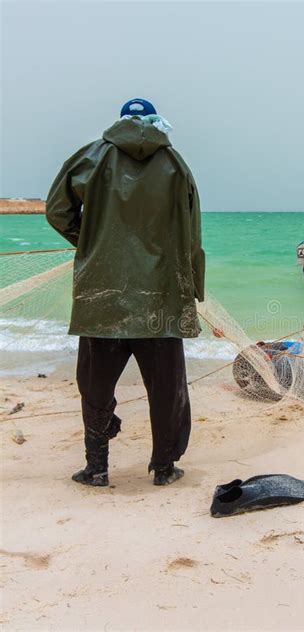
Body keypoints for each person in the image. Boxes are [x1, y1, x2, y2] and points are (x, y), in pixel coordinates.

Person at [46, 98, 205, 487]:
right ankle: (165, 469)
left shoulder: (91, 156)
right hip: (162, 295)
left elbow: (57, 211)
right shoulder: (175, 164)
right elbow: (192, 233)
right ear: (154, 122)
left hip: (103, 293)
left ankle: (96, 469)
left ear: (119, 122)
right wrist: (193, 288)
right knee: (167, 388)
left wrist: (90, 242)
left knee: (94, 384)